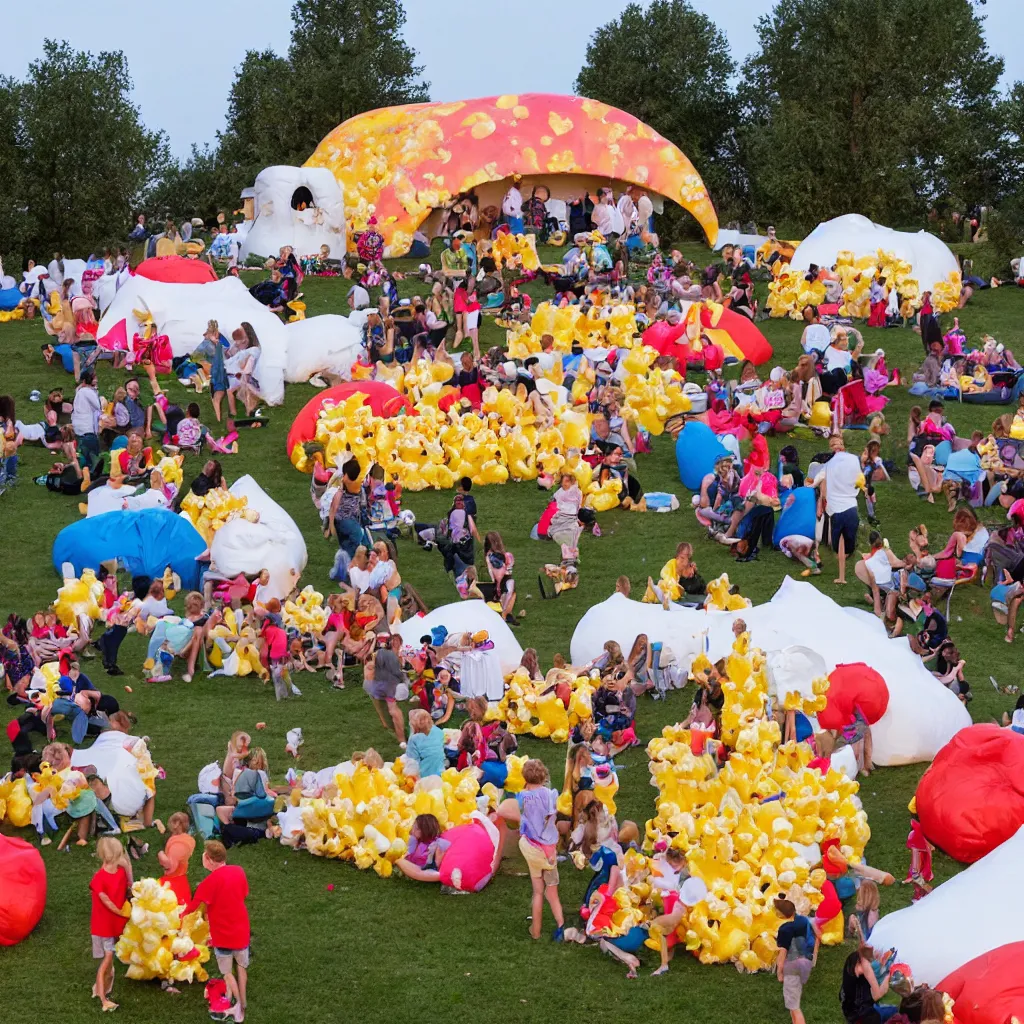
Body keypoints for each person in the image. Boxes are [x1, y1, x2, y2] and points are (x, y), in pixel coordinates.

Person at [186, 840, 250, 1023]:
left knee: (227, 972)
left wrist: (180, 915)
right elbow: (244, 893)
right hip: (241, 928)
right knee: (241, 966)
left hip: (222, 934)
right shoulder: (239, 871)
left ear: (209, 859)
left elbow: (193, 907)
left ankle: (238, 1007)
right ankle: (241, 1000)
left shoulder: (209, 882)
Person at [515, 759, 564, 941]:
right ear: (544, 776)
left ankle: (535, 931)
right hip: (548, 850)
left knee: (537, 891)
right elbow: (555, 811)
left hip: (531, 847)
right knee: (552, 892)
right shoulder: (550, 794)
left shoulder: (521, 797)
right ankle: (560, 926)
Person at [90, 836, 133, 1012]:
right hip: (104, 926)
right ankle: (102, 998)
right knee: (107, 960)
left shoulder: (117, 872)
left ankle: (103, 987)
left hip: (114, 924)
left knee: (110, 958)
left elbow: (128, 877)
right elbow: (106, 901)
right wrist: (121, 911)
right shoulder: (102, 878)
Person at [816, 434, 862, 585]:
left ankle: (842, 573)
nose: (837, 445)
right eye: (833, 444)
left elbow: (858, 479)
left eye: (839, 443)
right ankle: (841, 576)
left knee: (844, 544)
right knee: (839, 542)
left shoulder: (851, 462)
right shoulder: (829, 465)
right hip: (836, 508)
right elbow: (819, 481)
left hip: (847, 506)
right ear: (830, 448)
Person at [774, 897, 821, 1024]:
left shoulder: (785, 929)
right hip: (805, 962)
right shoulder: (803, 919)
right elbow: (817, 932)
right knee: (793, 1001)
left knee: (794, 1007)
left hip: (792, 966)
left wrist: (779, 972)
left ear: (780, 914)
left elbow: (782, 954)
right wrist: (815, 953)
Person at [369, 634, 408, 749]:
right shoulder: (387, 654)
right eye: (395, 641)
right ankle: (401, 739)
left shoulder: (383, 653)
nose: (396, 644)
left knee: (389, 710)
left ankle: (399, 737)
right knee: (393, 711)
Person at [840, 946, 896, 1024]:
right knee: (894, 1011)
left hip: (849, 1011)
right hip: (863, 1016)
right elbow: (878, 994)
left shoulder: (851, 961)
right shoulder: (864, 968)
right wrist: (889, 974)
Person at [157, 811, 195, 905]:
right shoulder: (190, 839)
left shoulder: (177, 845)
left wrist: (161, 854)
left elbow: (170, 868)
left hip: (173, 879)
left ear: (176, 823)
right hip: (182, 874)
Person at [71, 370, 103, 470]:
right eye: (94, 378)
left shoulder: (81, 391)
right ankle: (88, 471)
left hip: (80, 427)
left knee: (85, 452)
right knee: (93, 453)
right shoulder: (87, 391)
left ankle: (85, 470)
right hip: (86, 428)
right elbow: (98, 406)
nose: (96, 380)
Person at [405, 709, 445, 780]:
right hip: (441, 772)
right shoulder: (439, 732)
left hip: (425, 775)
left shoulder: (414, 739)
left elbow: (412, 760)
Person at [848, 879, 880, 944]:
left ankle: (851, 934)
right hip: (868, 937)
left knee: (852, 917)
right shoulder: (873, 911)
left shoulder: (859, 908)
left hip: (863, 936)